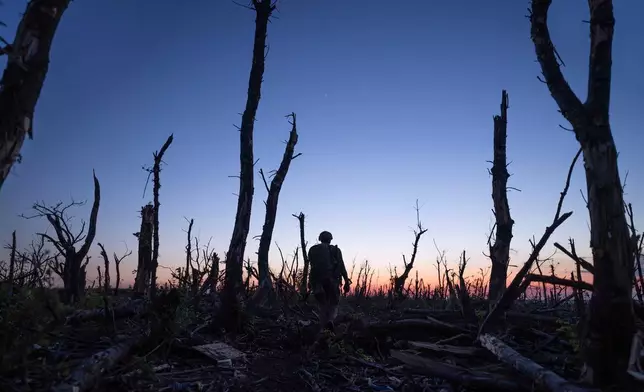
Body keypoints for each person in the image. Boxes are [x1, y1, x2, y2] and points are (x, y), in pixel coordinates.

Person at [308, 230, 351, 331]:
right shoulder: (335, 250)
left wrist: (310, 283)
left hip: (317, 281)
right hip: (332, 280)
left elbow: (311, 266)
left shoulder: (312, 250)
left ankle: (323, 327)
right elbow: (341, 266)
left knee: (322, 303)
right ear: (330, 239)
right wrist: (346, 281)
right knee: (333, 303)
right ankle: (330, 321)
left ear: (320, 239)